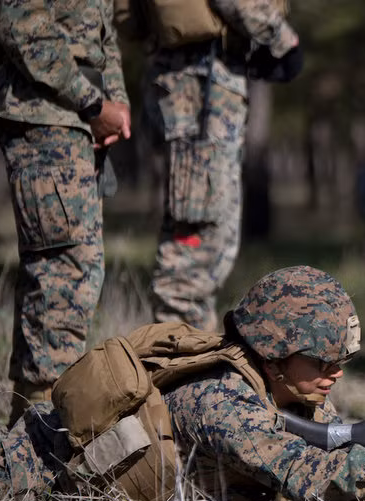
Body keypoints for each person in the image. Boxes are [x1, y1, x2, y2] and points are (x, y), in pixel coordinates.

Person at [0, 267, 365, 501]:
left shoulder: (292, 390)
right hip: (33, 468)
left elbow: (335, 454)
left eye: (343, 359)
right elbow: (305, 472)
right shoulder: (222, 403)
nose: (336, 371)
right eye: (322, 360)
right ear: (273, 355)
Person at [0, 0, 132, 426]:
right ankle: (38, 430)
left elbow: (104, 34)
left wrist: (114, 104)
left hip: (75, 119)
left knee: (78, 273)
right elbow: (20, 22)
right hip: (45, 111)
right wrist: (91, 104)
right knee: (61, 273)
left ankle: (34, 427)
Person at [132, 0, 303, 331]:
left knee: (208, 236)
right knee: (196, 236)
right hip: (200, 80)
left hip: (196, 74)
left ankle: (189, 356)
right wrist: (281, 38)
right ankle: (176, 363)